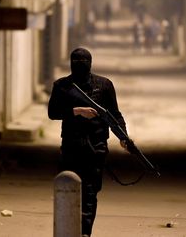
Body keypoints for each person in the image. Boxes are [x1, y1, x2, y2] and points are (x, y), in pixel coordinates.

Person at [48, 48, 128, 237]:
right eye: (76, 62)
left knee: (91, 192)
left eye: (83, 62)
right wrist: (76, 111)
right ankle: (71, 229)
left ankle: (85, 232)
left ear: (90, 64)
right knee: (70, 187)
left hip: (96, 146)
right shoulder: (62, 86)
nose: (79, 66)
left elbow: (114, 114)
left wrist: (123, 136)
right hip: (71, 146)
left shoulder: (104, 85)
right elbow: (53, 113)